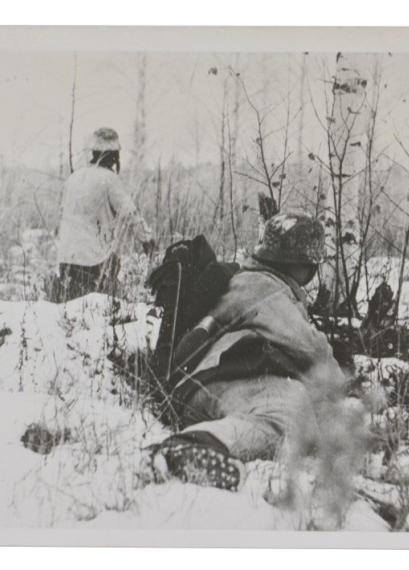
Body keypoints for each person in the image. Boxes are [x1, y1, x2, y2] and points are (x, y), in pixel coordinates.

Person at [147, 213, 347, 491]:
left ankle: (208, 441)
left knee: (304, 425)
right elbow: (312, 349)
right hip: (231, 376)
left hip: (211, 385)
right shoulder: (265, 288)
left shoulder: (250, 281)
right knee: (283, 421)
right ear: (302, 264)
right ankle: (186, 448)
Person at [55, 128, 155, 301]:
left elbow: (62, 213)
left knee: (72, 309)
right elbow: (130, 214)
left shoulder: (74, 177)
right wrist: (147, 241)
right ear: (114, 155)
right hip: (93, 261)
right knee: (110, 305)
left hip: (66, 258)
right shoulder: (109, 179)